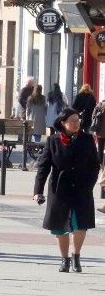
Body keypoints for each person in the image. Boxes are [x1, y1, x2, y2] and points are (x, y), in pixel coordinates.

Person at [33, 107, 100, 272]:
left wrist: (89, 184)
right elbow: (43, 167)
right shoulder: (53, 141)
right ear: (63, 123)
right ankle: (64, 259)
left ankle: (76, 255)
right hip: (59, 187)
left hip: (81, 187)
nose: (77, 123)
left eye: (78, 120)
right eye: (73, 121)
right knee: (59, 226)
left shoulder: (87, 139)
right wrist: (38, 191)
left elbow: (94, 165)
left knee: (80, 224)